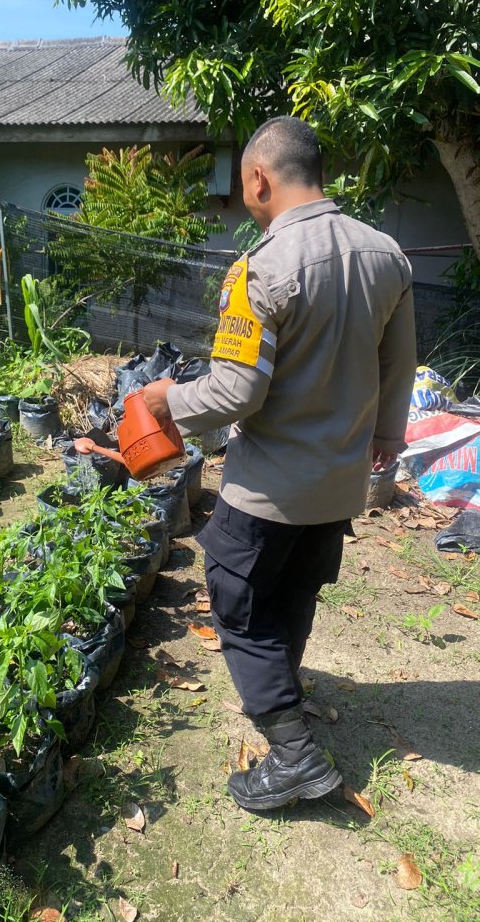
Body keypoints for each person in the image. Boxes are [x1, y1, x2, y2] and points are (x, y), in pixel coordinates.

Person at [142, 116, 416, 811]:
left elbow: (237, 389)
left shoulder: (263, 267)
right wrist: (388, 435)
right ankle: (280, 693)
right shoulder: (388, 255)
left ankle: (293, 754)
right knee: (294, 590)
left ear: (258, 178)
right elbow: (399, 362)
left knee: (236, 600)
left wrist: (167, 399)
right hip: (341, 479)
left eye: (243, 185)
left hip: (270, 484)